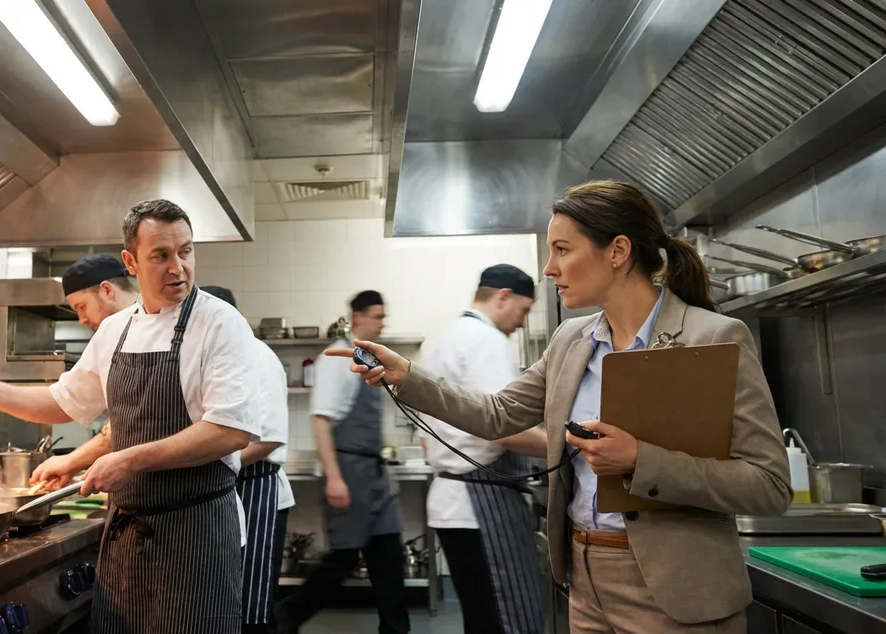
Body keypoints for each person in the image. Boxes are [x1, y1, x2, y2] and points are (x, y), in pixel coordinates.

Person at [330, 180, 791, 633]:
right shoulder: (572, 339)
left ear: (617, 251)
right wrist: (407, 376)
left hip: (674, 589)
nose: (549, 268)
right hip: (584, 579)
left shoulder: (713, 337)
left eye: (563, 250)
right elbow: (497, 414)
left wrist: (640, 461)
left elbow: (768, 485)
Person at [0, 199, 259, 633]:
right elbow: (63, 403)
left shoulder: (219, 323)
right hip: (126, 538)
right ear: (130, 262)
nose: (178, 267)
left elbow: (229, 431)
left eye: (186, 251)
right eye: (161, 255)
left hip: (196, 536)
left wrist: (129, 459)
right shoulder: (116, 331)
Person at [419, 264, 548, 634]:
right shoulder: (485, 339)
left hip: (455, 504)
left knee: (481, 618)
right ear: (503, 297)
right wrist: (564, 444)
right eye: (523, 311)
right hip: (479, 506)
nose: (522, 323)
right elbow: (503, 426)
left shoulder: (448, 338)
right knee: (504, 620)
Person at [277, 290, 409, 634]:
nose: (382, 323)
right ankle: (286, 618)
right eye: (378, 316)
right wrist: (334, 478)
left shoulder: (370, 359)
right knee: (343, 558)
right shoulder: (338, 358)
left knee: (388, 555)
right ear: (358, 318)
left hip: (373, 474)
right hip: (349, 472)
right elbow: (320, 420)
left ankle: (396, 630)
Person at [201, 285, 294, 634]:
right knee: (233, 604)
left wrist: (211, 462)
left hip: (259, 490)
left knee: (253, 608)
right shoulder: (223, 357)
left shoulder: (258, 356)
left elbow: (269, 437)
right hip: (233, 490)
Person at [30, 254, 139, 488]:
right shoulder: (112, 336)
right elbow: (65, 401)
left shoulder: (150, 325)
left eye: (82, 307)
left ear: (107, 290)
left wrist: (71, 460)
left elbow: (135, 425)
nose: (80, 319)